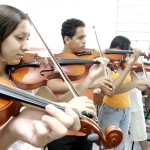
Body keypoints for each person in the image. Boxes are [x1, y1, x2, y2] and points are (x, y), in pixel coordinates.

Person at [0, 5, 110, 150]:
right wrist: (11, 131)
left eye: (27, 39)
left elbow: (58, 102)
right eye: (20, 38)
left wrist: (89, 78)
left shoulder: (25, 77)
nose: (26, 47)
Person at [45, 18, 114, 150]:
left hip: (85, 126)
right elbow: (51, 85)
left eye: (85, 37)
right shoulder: (55, 62)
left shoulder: (88, 62)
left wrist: (107, 66)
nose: (85, 41)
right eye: (80, 37)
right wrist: (89, 83)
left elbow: (109, 91)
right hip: (62, 128)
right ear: (67, 39)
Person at [98, 35, 150, 150]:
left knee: (120, 146)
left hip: (126, 111)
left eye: (125, 51)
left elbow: (140, 86)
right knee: (108, 146)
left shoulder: (125, 65)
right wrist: (135, 76)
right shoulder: (106, 66)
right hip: (110, 111)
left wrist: (146, 82)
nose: (122, 55)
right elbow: (113, 90)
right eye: (119, 49)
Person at [129, 71, 149, 150]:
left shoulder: (134, 71)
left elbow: (141, 87)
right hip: (121, 104)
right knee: (119, 136)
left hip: (135, 105)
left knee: (141, 134)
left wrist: (147, 82)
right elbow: (140, 86)